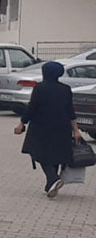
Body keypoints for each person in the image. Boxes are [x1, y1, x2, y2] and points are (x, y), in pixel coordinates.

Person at [15, 61, 86, 197]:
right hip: (62, 127)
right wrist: (76, 129)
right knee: (56, 154)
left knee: (38, 152)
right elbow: (70, 110)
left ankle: (53, 178)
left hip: (41, 127)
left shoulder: (40, 88)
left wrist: (22, 123)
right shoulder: (65, 89)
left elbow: (32, 107)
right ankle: (50, 184)